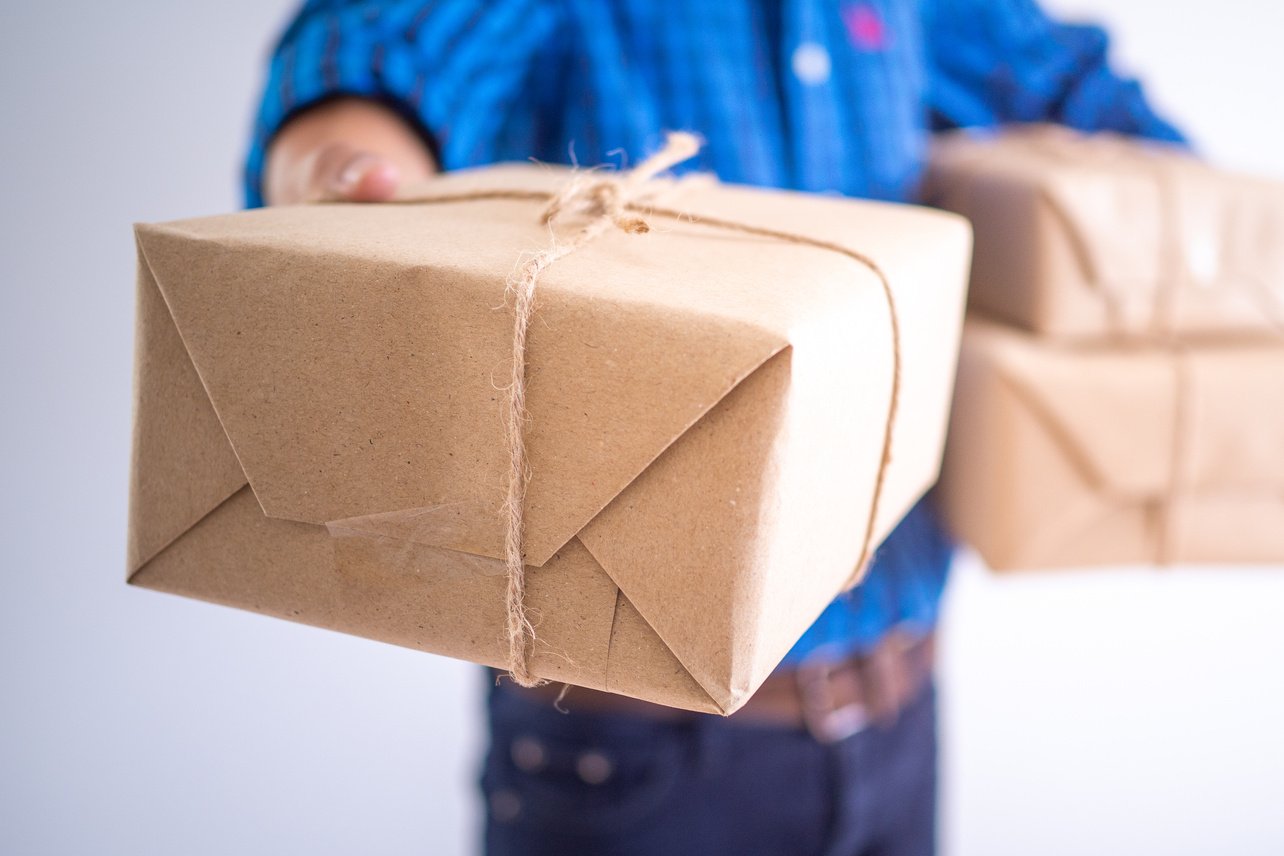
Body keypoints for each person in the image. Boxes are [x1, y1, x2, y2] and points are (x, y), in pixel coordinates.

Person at [249, 2, 1183, 854]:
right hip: (637, 758)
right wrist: (344, 177)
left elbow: (1063, 82)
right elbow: (377, 52)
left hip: (902, 710)